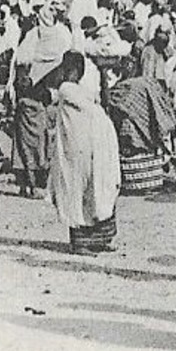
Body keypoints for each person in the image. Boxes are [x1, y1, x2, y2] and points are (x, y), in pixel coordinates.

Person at [49, 50, 122, 253]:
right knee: (78, 191)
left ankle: (100, 239)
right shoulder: (66, 90)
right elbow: (93, 110)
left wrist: (102, 72)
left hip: (91, 149)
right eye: (71, 70)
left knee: (96, 189)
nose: (74, 73)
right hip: (76, 151)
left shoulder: (81, 90)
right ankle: (80, 242)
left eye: (77, 70)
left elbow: (103, 103)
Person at [10, 1, 70, 197]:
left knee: (37, 143)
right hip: (38, 100)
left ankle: (34, 182)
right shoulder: (39, 36)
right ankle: (31, 183)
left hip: (42, 99)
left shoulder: (53, 36)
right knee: (35, 142)